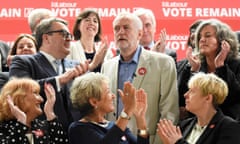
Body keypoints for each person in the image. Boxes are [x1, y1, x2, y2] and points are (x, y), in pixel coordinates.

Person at [101, 12, 179, 144]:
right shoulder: (107, 66)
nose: (121, 32)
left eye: (126, 28)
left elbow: (169, 112)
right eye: (117, 29)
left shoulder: (163, 63)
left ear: (139, 34)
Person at [9, 17, 89, 132]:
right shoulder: (23, 62)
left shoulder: (77, 66)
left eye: (69, 35)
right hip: (43, 134)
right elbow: (18, 90)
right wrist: (59, 80)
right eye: (64, 34)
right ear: (46, 38)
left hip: (76, 135)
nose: (69, 39)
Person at [178, 18, 240, 121]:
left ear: (223, 40)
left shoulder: (236, 64)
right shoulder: (196, 66)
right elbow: (181, 99)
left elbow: (233, 97)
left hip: (228, 124)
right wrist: (193, 71)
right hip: (198, 124)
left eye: (207, 36)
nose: (202, 40)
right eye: (200, 37)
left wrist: (221, 67)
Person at [157, 73, 240, 144]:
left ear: (208, 98)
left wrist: (178, 142)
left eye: (192, 91)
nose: (185, 95)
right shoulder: (184, 125)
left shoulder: (229, 127)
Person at [68, 72, 149, 144]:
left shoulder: (115, 125)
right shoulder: (78, 129)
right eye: (108, 92)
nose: (113, 96)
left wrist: (140, 119)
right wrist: (126, 111)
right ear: (94, 102)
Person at [0, 77, 68, 143]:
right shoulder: (3, 128)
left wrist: (49, 113)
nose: (41, 99)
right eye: (35, 93)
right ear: (19, 98)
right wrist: (21, 123)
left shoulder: (43, 126)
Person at [177, 19, 203, 120]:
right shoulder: (180, 64)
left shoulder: (213, 64)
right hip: (181, 122)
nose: (194, 35)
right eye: (192, 33)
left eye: (198, 33)